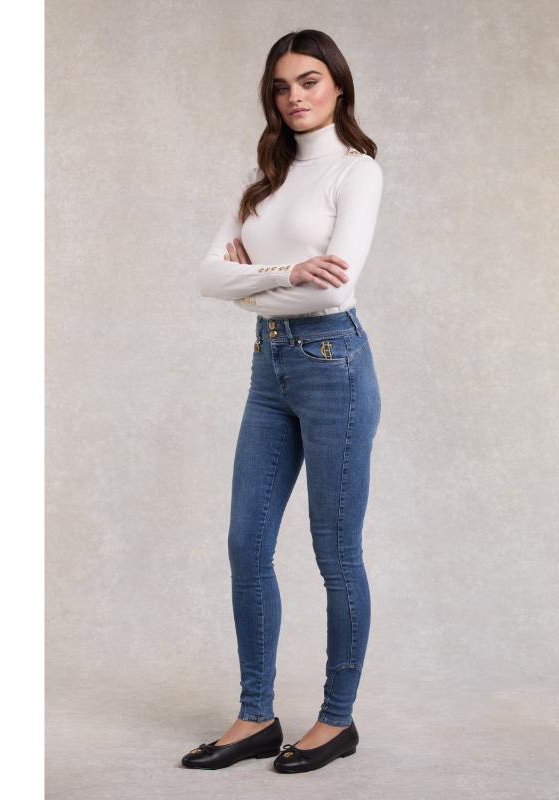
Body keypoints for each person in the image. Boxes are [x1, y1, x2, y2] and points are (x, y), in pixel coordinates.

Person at [182, 29, 383, 774]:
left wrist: (252, 284)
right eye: (281, 85)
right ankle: (256, 715)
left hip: (335, 365)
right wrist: (285, 273)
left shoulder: (356, 172)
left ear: (337, 86)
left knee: (335, 552)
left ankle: (336, 720)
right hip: (269, 367)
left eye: (309, 81)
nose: (294, 96)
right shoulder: (263, 178)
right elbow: (206, 276)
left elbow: (334, 287)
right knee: (247, 542)